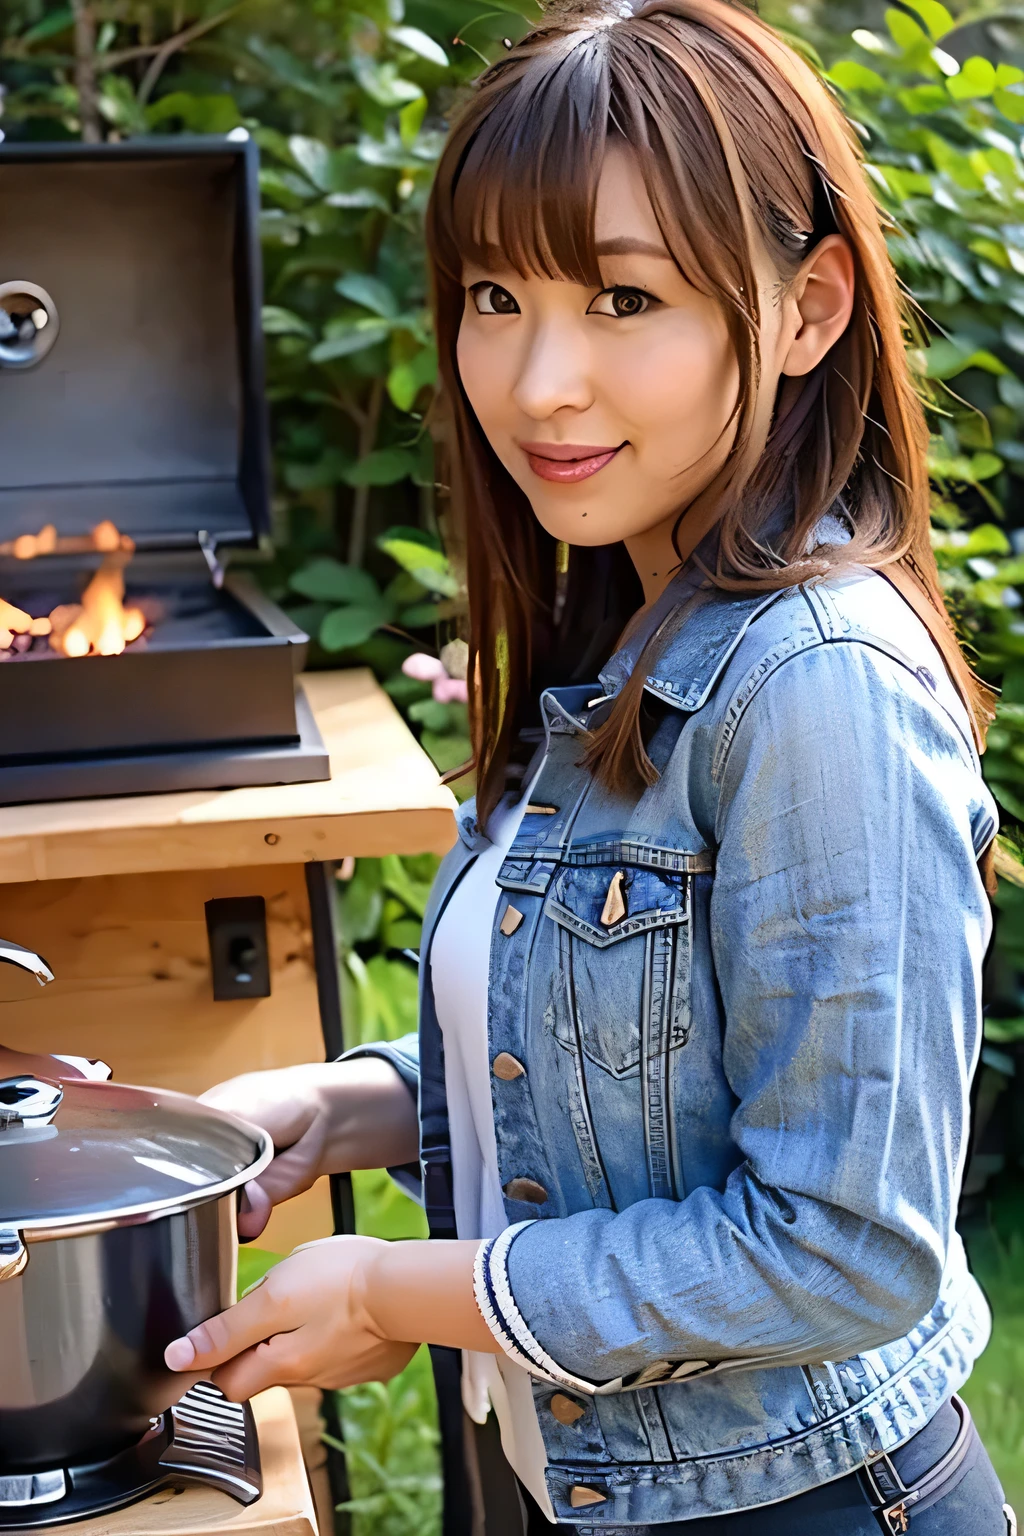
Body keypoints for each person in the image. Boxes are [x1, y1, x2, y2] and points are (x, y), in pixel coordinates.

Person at [165, 2, 1017, 1529]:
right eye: (494, 293)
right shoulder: (623, 622)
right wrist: (349, 1107)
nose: (538, 381)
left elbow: (844, 1243)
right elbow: (631, 1064)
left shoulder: (817, 687)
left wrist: (407, 1290)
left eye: (623, 299)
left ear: (812, 306)